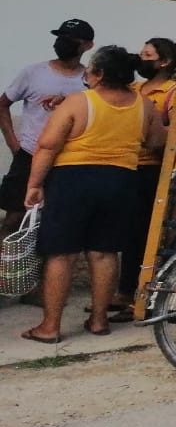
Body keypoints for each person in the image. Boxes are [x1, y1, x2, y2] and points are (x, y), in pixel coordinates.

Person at [20, 46, 163, 343]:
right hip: (122, 181)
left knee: (62, 253)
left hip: (73, 180)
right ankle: (99, 321)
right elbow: (155, 140)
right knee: (105, 252)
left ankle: (50, 327)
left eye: (90, 70)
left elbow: (47, 145)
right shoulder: (145, 105)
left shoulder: (77, 102)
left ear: (98, 74)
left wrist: (34, 184)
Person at [0, 18, 96, 236]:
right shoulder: (33, 73)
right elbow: (3, 104)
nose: (63, 43)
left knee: (57, 222)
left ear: (87, 45)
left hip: (68, 161)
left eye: (71, 40)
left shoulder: (90, 80)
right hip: (29, 155)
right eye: (61, 38)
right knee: (13, 219)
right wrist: (14, 144)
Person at [119, 37, 176, 318]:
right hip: (126, 166)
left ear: (164, 61)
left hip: (151, 169)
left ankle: (140, 296)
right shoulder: (132, 88)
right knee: (126, 234)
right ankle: (123, 292)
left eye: (147, 54)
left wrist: (149, 128)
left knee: (144, 235)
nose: (140, 57)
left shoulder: (173, 92)